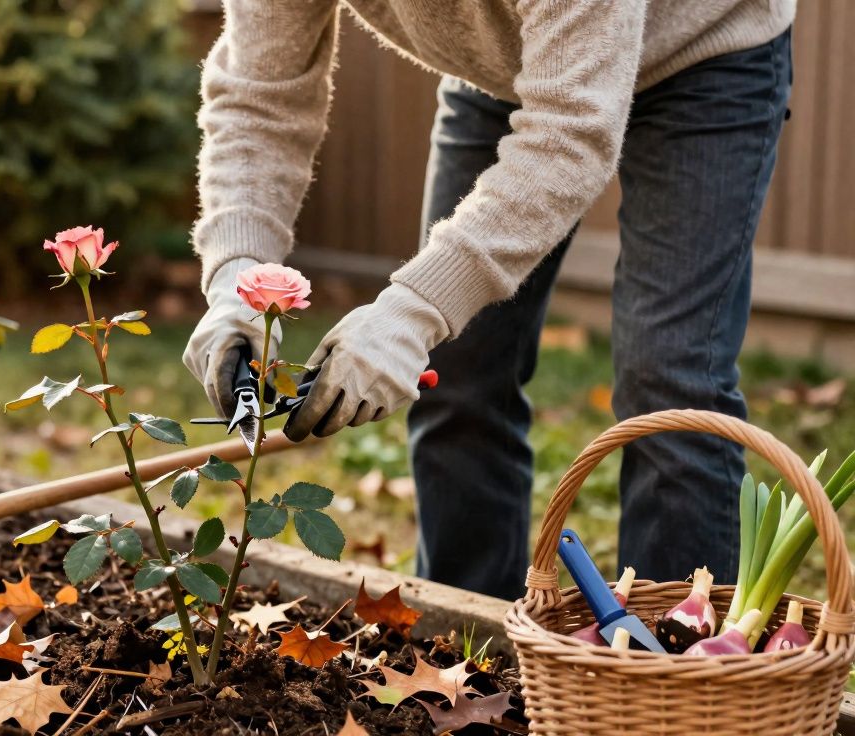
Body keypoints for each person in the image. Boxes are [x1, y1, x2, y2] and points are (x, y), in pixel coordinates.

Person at [183, 0, 794, 600]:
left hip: (702, 51)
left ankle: (673, 652)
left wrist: (414, 309)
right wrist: (238, 274)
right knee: (456, 372)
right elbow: (260, 98)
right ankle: (469, 634)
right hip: (506, 67)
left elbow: (571, 133)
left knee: (668, 379)